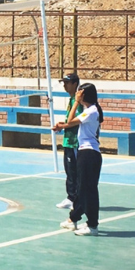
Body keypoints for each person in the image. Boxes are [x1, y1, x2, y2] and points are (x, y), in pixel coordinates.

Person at [53, 82, 103, 235]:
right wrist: (62, 126)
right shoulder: (90, 111)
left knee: (88, 190)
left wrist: (75, 102)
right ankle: (73, 219)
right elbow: (71, 124)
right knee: (82, 189)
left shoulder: (91, 111)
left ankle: (92, 224)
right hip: (86, 152)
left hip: (89, 153)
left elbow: (70, 120)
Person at [55, 73, 82, 210]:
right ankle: (71, 197)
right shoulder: (72, 99)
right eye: (63, 82)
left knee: (74, 172)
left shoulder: (79, 101)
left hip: (75, 141)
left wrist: (63, 125)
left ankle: (75, 198)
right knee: (69, 171)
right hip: (68, 140)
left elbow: (77, 120)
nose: (65, 85)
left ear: (75, 84)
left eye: (67, 82)